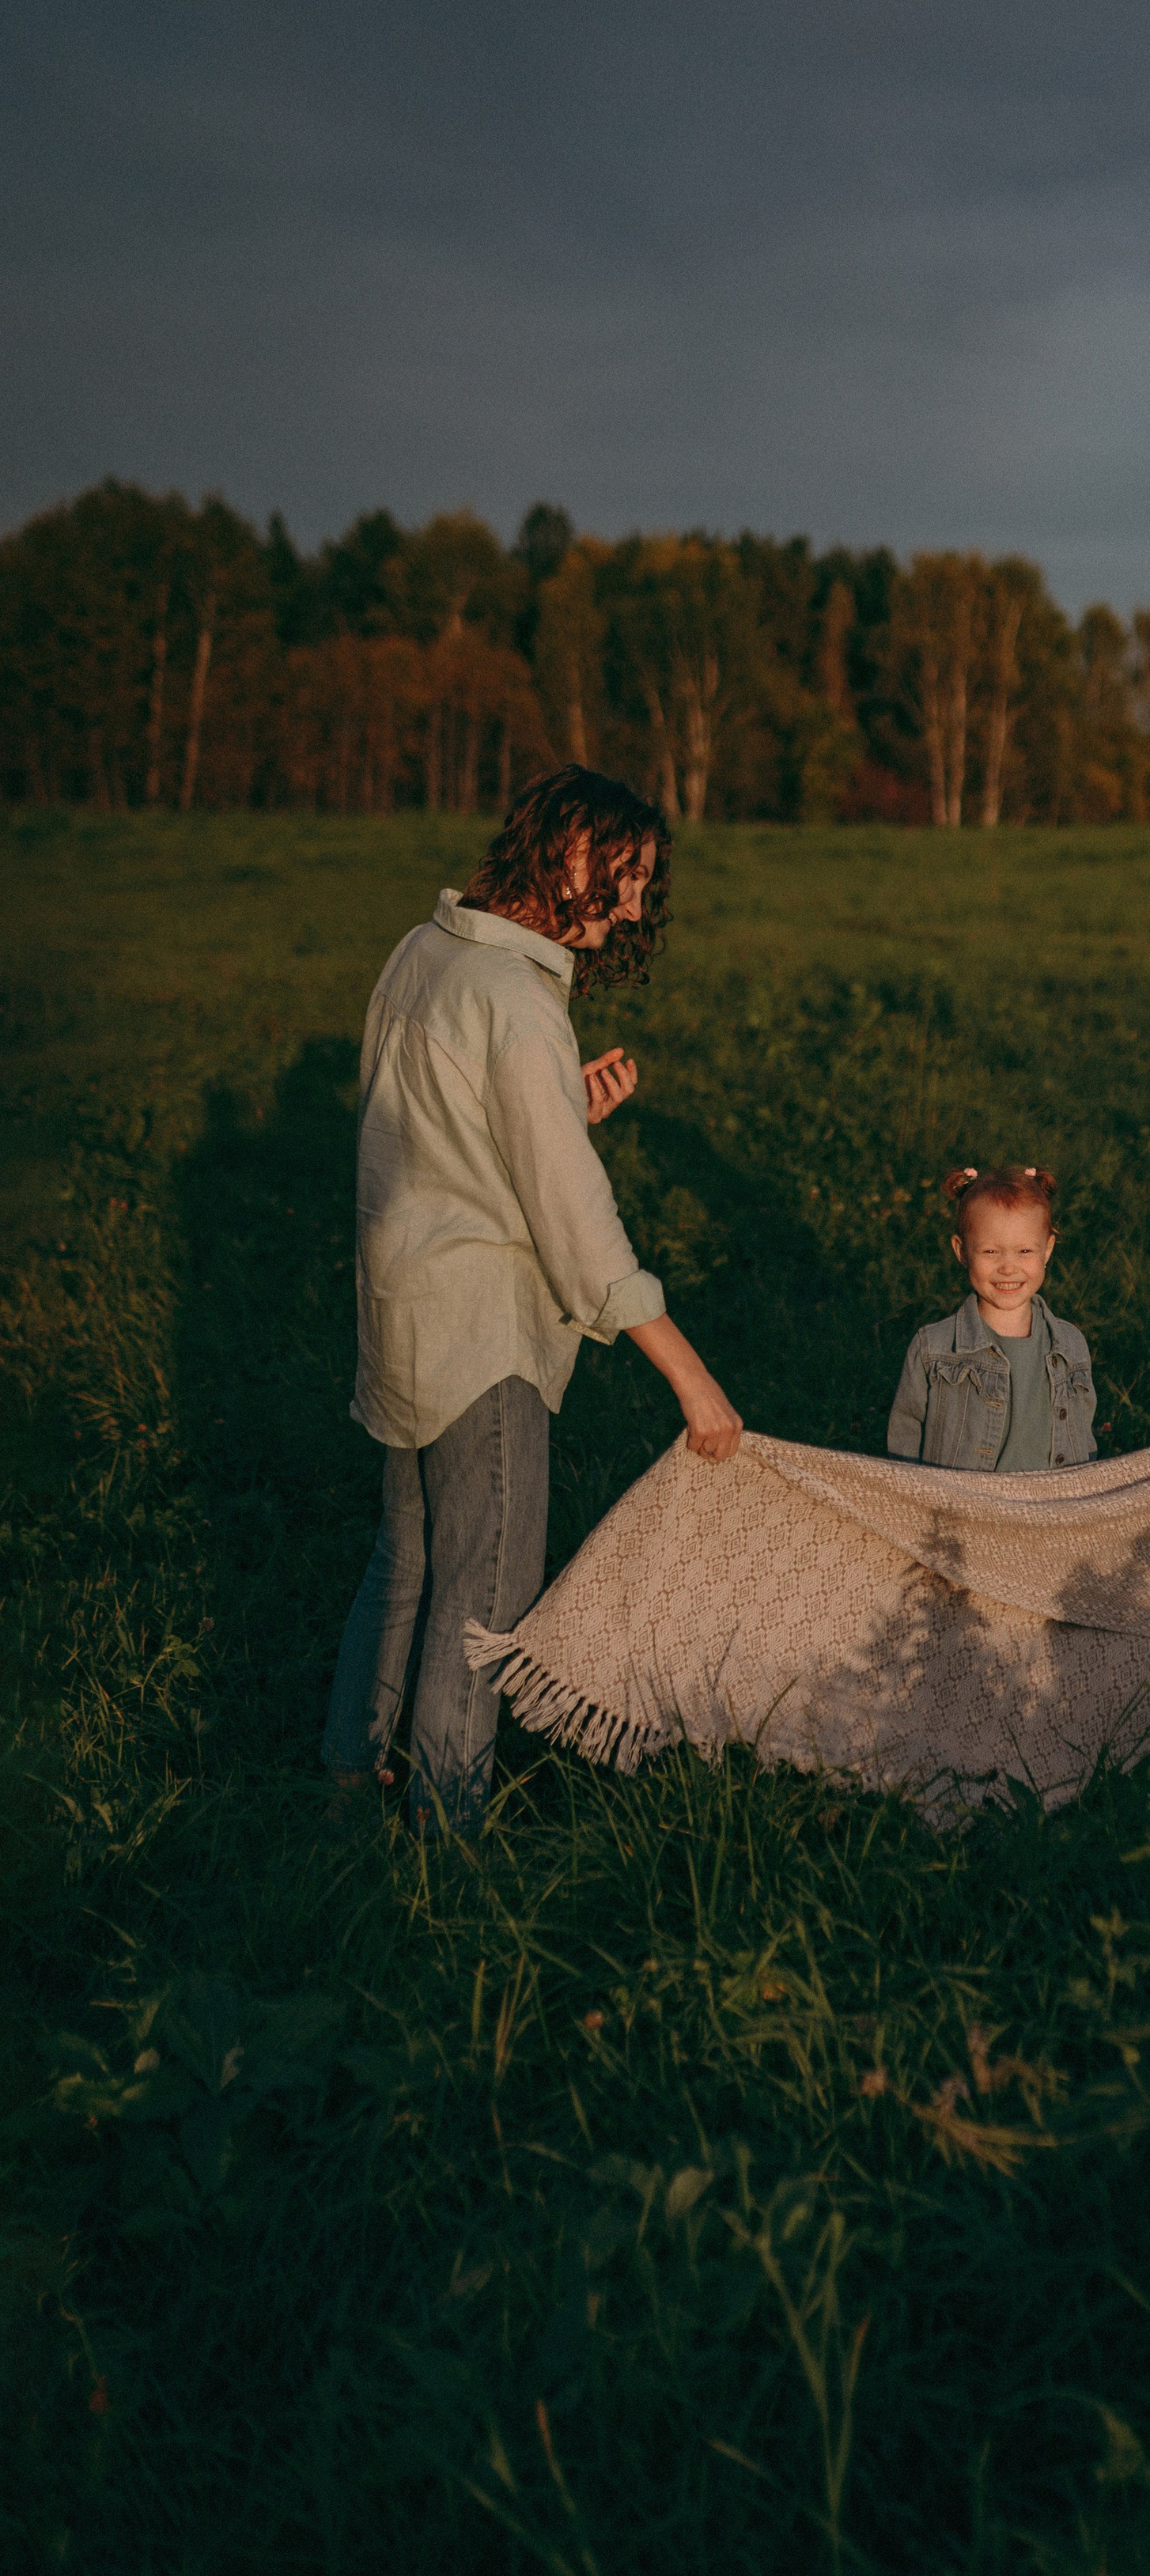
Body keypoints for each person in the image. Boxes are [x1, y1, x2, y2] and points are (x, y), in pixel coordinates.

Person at [322, 765, 742, 1832]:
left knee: (404, 1555)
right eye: (630, 876)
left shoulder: (425, 953)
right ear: (569, 859)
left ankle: (346, 1784)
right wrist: (694, 1384)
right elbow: (579, 1231)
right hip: (483, 1336)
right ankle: (446, 1835)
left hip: (399, 1307)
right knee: (484, 1600)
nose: (641, 903)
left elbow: (416, 1131)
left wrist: (559, 1117)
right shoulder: (517, 1004)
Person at [887, 1167, 1098, 1471]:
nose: (1008, 1268)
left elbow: (1083, 1436)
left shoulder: (1070, 1345)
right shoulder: (934, 1349)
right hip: (967, 1508)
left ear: (1047, 1250)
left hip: (1051, 1509)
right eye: (990, 1251)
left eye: (1024, 1250)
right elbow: (905, 1438)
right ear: (962, 1251)